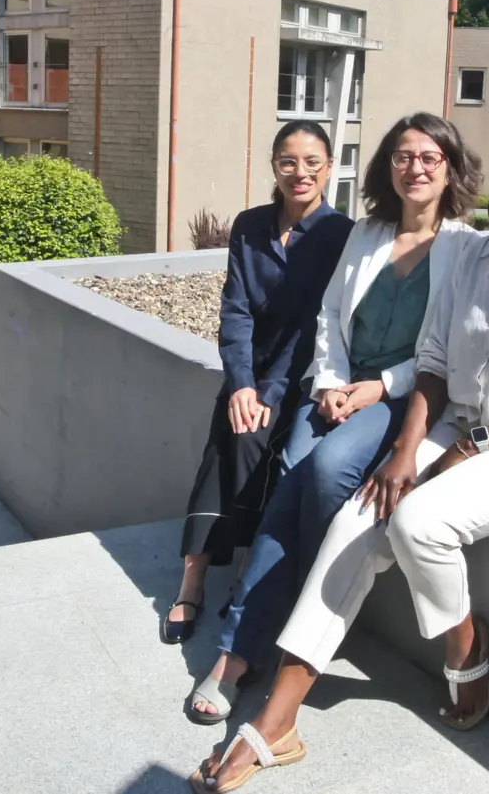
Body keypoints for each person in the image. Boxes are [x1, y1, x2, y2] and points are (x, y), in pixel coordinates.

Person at [187, 112, 489, 793]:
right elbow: (434, 361)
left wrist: (473, 443)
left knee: (416, 522)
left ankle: (464, 641)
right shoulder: (478, 256)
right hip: (457, 424)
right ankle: (277, 720)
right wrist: (405, 449)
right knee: (356, 518)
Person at [185, 113, 484, 723]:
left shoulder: (467, 248)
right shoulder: (367, 232)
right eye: (403, 156)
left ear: (450, 167)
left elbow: (450, 348)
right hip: (339, 385)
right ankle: (246, 647)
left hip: (404, 396)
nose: (416, 168)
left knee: (322, 473)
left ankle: (255, 640)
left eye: (430, 157)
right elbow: (329, 316)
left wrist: (380, 387)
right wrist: (328, 382)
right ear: (387, 165)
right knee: (291, 475)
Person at [161, 121, 355, 645]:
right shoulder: (250, 226)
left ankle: (246, 571)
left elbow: (320, 325)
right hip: (249, 371)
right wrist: (242, 384)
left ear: (329, 168)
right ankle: (193, 576)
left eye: (312, 162)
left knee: (251, 442)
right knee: (227, 432)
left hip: (303, 375)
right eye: (288, 161)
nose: (300, 172)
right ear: (274, 166)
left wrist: (268, 391)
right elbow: (236, 309)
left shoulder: (343, 236)